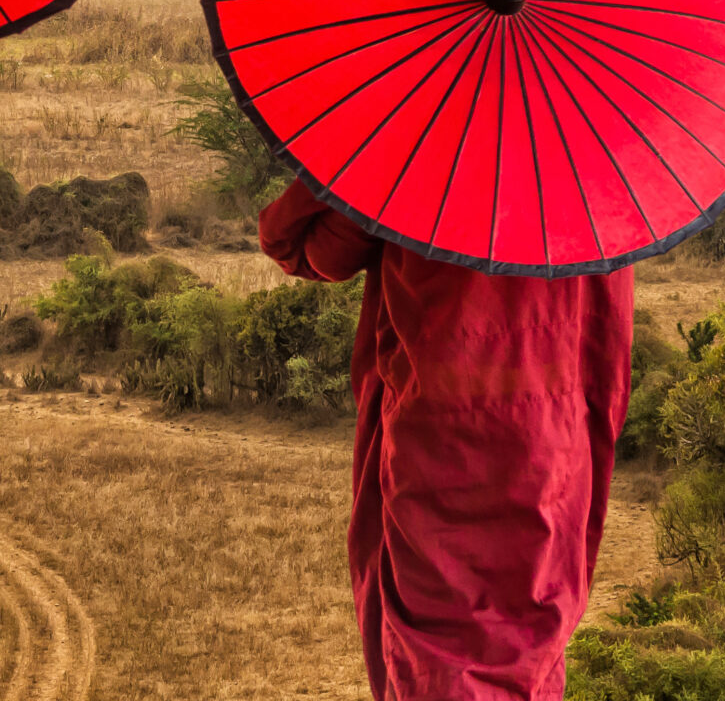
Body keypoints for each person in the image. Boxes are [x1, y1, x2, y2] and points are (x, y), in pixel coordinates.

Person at [258, 178, 634, 701]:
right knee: (529, 653)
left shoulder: (419, 152)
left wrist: (368, 148)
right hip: (554, 448)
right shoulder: (599, 167)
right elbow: (607, 352)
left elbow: (301, 244)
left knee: (435, 660)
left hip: (439, 444)